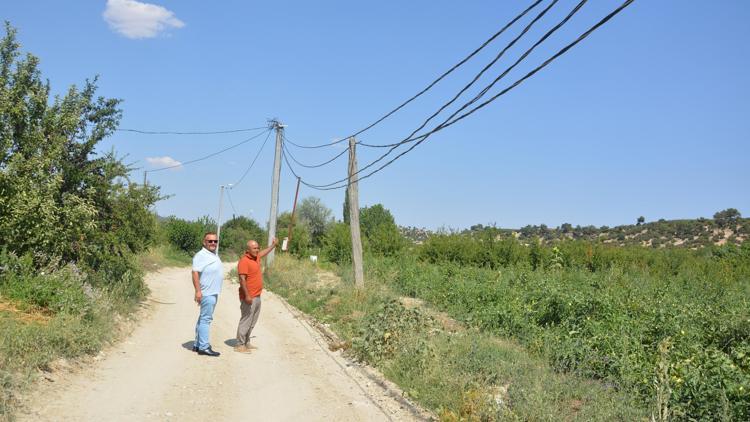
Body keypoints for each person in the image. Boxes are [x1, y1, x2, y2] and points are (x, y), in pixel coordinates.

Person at [235, 237, 277, 353]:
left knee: (252, 321)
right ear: (248, 250)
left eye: (258, 248)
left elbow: (263, 253)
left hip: (257, 296)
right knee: (246, 320)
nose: (257, 250)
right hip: (249, 297)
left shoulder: (256, 257)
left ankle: (246, 342)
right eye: (254, 248)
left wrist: (273, 246)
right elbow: (242, 280)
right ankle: (239, 344)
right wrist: (247, 296)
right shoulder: (244, 261)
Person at [192, 232, 223, 357]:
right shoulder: (201, 255)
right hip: (207, 293)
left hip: (212, 292)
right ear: (204, 242)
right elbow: (194, 273)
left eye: (215, 241)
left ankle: (197, 344)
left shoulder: (211, 254)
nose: (213, 243)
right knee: (206, 319)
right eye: (210, 241)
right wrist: (198, 291)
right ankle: (204, 347)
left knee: (202, 318)